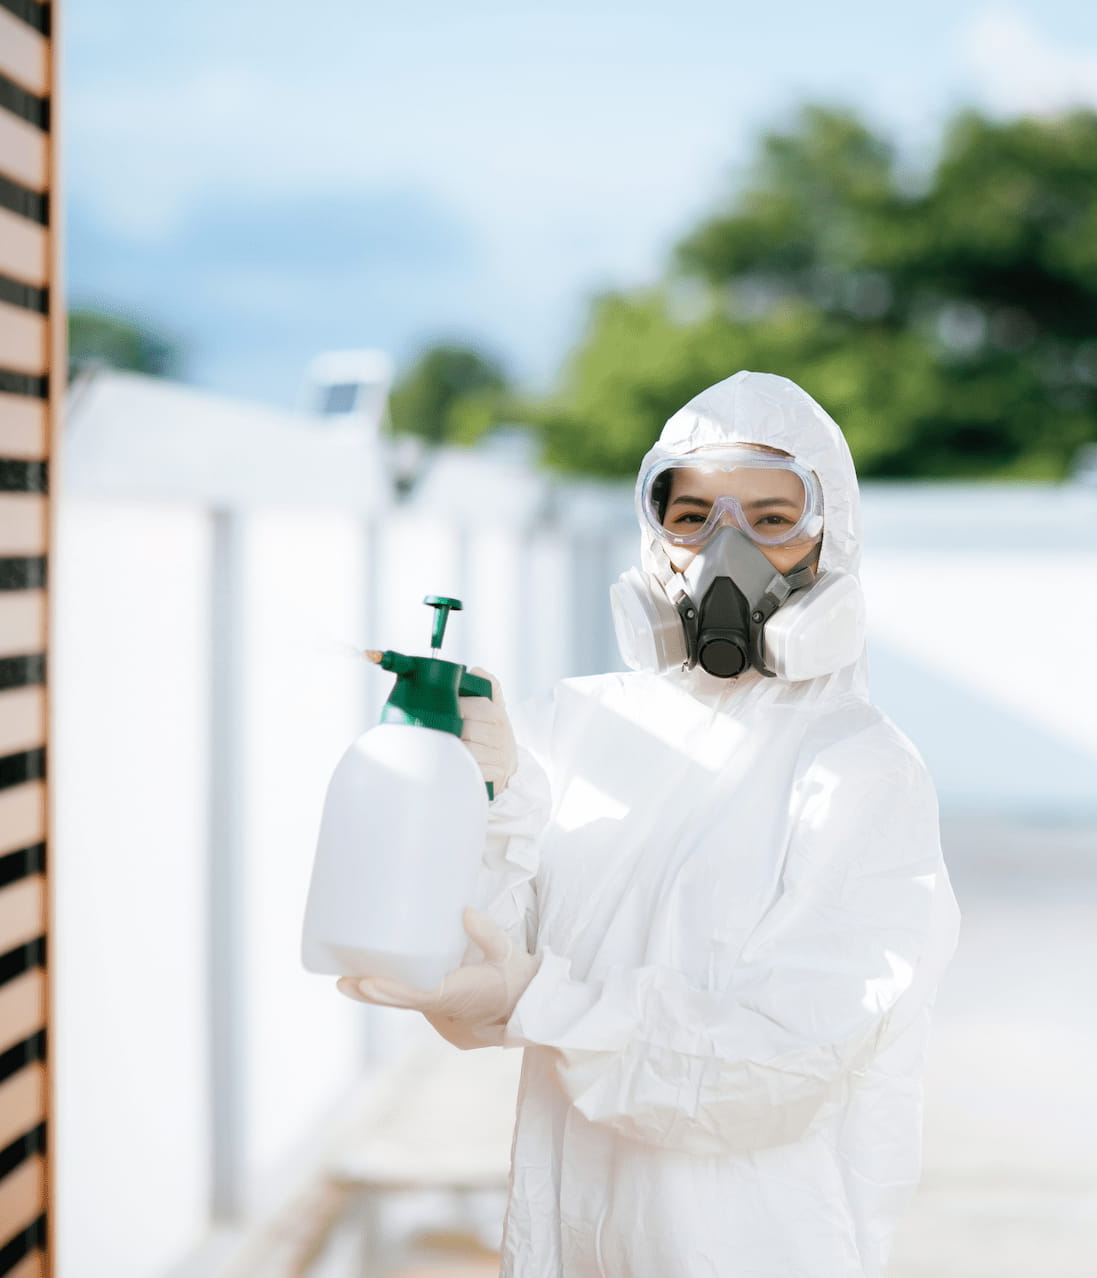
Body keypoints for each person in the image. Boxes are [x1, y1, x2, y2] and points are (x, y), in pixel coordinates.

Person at [341, 370, 960, 1277]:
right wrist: (490, 801)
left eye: (772, 519)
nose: (724, 550)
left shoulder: (859, 768)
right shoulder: (580, 725)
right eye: (693, 515)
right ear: (655, 534)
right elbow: (489, 965)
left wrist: (542, 1003)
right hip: (569, 1236)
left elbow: (783, 1064)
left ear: (831, 542)